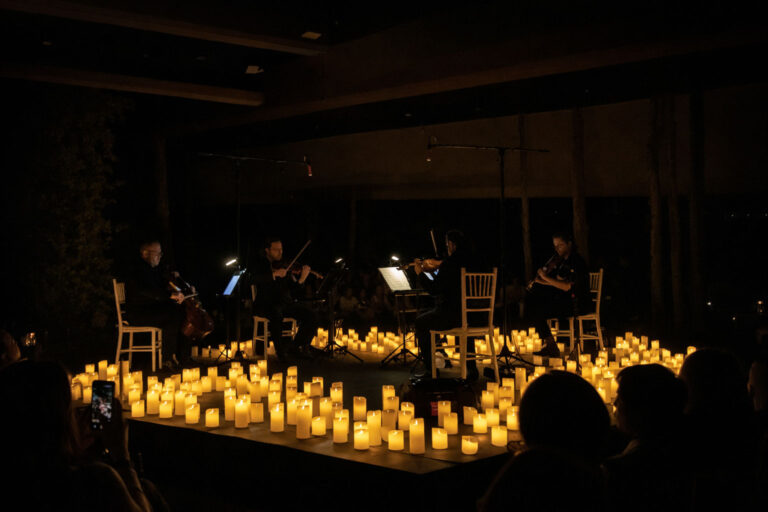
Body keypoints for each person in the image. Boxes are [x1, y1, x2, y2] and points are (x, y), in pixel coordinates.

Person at [0, 360, 153, 511]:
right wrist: (122, 456)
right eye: (71, 406)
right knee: (148, 488)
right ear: (58, 418)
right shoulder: (94, 481)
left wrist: (75, 450)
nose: (76, 413)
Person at [412, 230, 482, 380]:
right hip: (476, 315)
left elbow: (434, 289)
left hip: (452, 316)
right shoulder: (473, 262)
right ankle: (472, 369)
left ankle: (431, 370)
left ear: (452, 244)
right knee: (457, 318)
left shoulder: (450, 264)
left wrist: (420, 273)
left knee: (421, 322)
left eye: (447, 244)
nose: (446, 247)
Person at [251, 237, 319, 361]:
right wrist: (273, 275)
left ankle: (296, 345)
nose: (280, 252)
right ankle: (280, 352)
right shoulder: (260, 264)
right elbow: (253, 279)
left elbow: (293, 288)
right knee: (276, 313)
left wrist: (302, 279)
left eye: (281, 249)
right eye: (276, 250)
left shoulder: (285, 266)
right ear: (267, 250)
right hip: (266, 304)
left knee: (311, 314)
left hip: (285, 304)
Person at [525, 231, 592, 357]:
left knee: (537, 309)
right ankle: (551, 345)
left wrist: (545, 277)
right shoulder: (562, 262)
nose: (557, 249)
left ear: (569, 244)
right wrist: (540, 281)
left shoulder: (576, 261)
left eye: (560, 245)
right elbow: (558, 283)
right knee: (535, 305)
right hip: (568, 302)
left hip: (578, 304)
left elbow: (566, 286)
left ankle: (551, 346)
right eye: (555, 246)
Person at [123, 240, 186, 369]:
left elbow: (161, 288)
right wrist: (169, 296)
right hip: (138, 313)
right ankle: (168, 358)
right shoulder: (137, 270)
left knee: (176, 311)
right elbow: (146, 291)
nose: (160, 256)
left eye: (160, 253)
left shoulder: (153, 270)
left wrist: (181, 289)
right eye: (157, 253)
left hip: (148, 310)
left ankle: (175, 355)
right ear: (145, 254)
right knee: (173, 315)